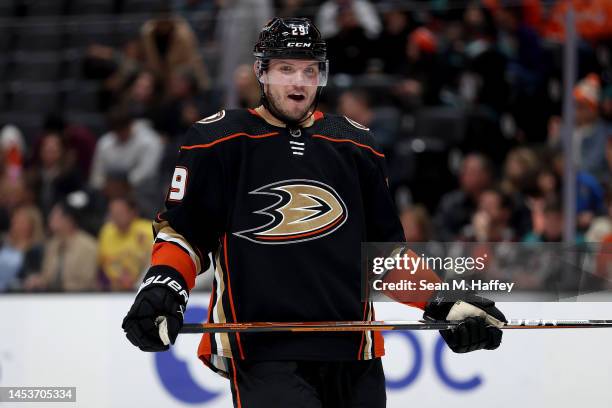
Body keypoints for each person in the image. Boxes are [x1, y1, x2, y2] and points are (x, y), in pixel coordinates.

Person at [122, 18, 505, 408]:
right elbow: (185, 234)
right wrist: (163, 287)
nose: (299, 82)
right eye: (286, 69)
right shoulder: (218, 141)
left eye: (310, 70)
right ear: (261, 72)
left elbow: (385, 258)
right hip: (263, 350)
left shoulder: (357, 145)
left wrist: (442, 301)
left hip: (355, 351)